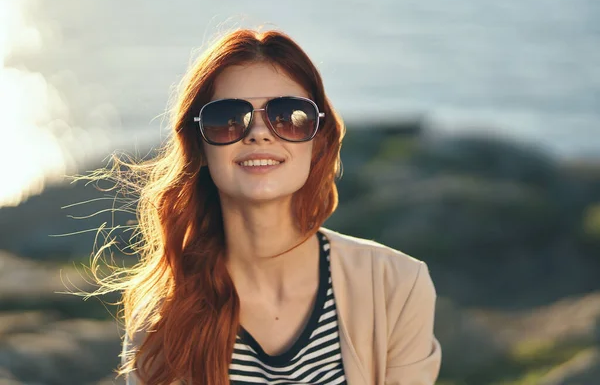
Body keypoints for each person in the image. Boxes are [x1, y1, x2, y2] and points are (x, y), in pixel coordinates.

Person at [106, 28, 441, 384]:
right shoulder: (162, 317)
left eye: (289, 116)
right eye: (228, 119)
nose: (260, 133)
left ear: (318, 138)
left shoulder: (397, 285)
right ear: (199, 146)